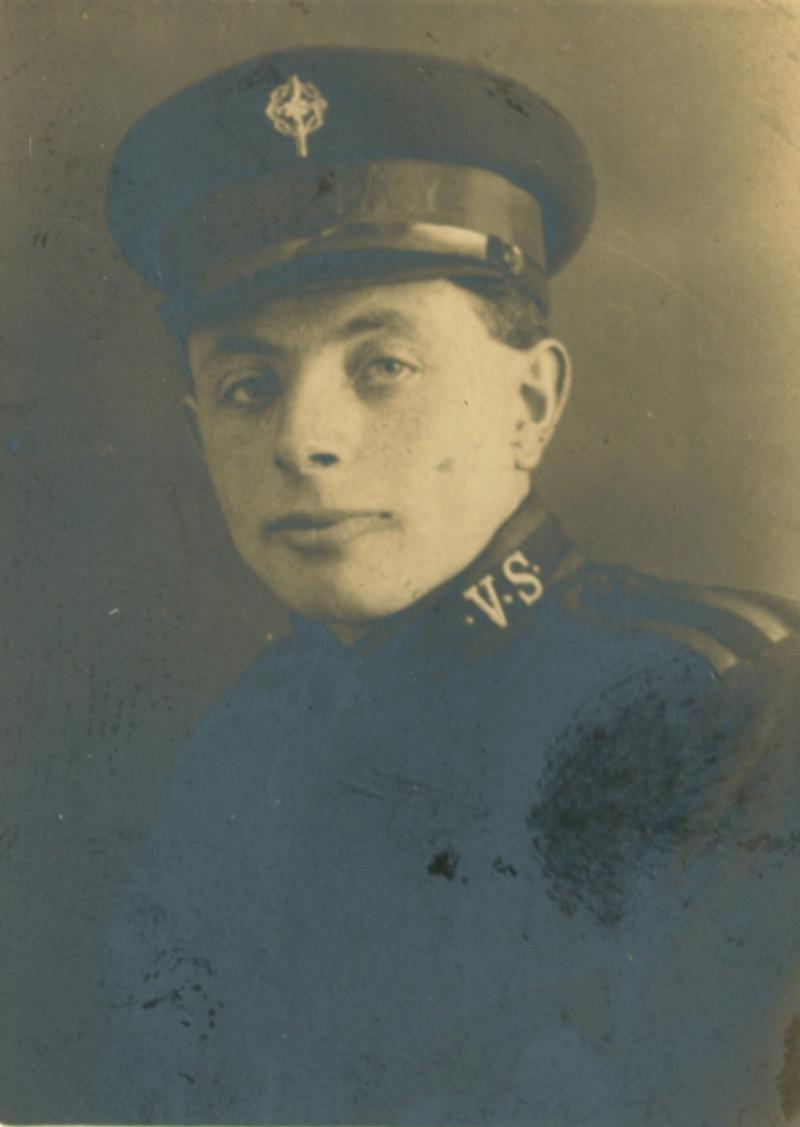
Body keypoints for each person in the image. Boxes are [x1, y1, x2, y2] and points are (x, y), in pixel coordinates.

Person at [95, 47, 800, 1126]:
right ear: (199, 434)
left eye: (382, 366)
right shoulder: (234, 751)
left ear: (529, 404)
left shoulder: (731, 712)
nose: (303, 439)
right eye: (247, 385)